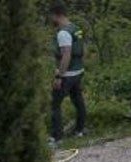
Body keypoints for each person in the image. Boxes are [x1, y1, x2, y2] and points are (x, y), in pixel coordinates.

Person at [49, 4, 87, 148]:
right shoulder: (76, 29)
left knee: (55, 105)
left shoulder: (63, 33)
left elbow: (66, 55)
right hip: (78, 71)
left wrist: (59, 76)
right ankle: (80, 130)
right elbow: (83, 49)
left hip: (67, 74)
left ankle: (56, 138)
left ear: (57, 15)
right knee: (78, 101)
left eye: (51, 16)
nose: (50, 19)